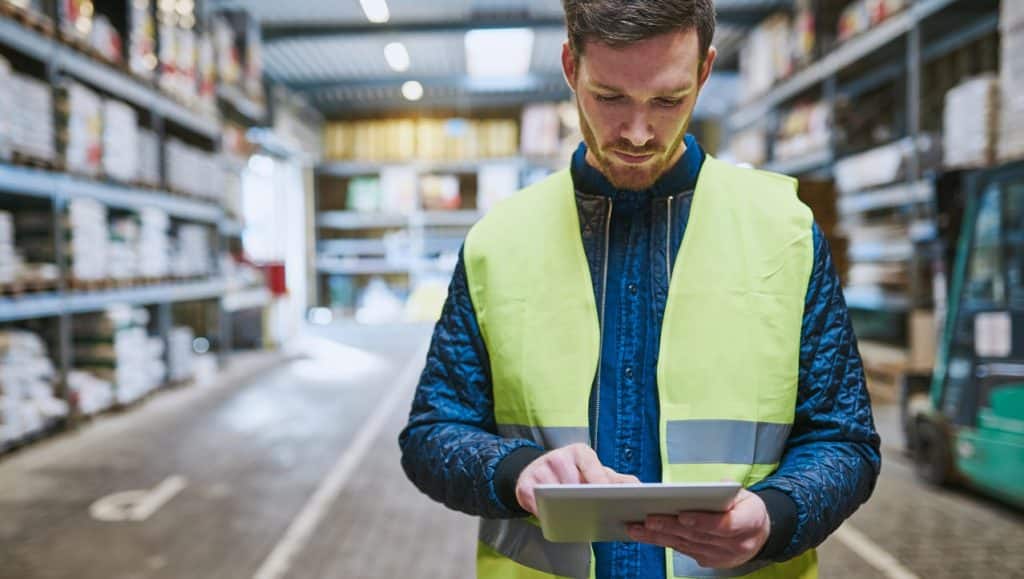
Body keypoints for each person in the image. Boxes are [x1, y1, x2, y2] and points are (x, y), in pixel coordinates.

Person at [399, 1, 881, 577]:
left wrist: (777, 514)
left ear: (704, 72)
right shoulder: (497, 243)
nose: (636, 132)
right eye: (609, 98)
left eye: (668, 100)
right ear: (569, 66)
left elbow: (844, 438)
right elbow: (432, 433)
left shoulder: (786, 232)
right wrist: (515, 471)